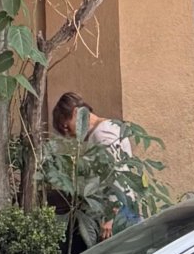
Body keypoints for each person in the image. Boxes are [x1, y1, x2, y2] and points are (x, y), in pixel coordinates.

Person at [50, 92, 139, 236]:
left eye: (66, 127)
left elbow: (116, 173)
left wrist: (111, 216)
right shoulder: (110, 126)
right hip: (124, 206)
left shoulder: (102, 134)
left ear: (76, 113)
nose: (69, 134)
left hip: (118, 212)